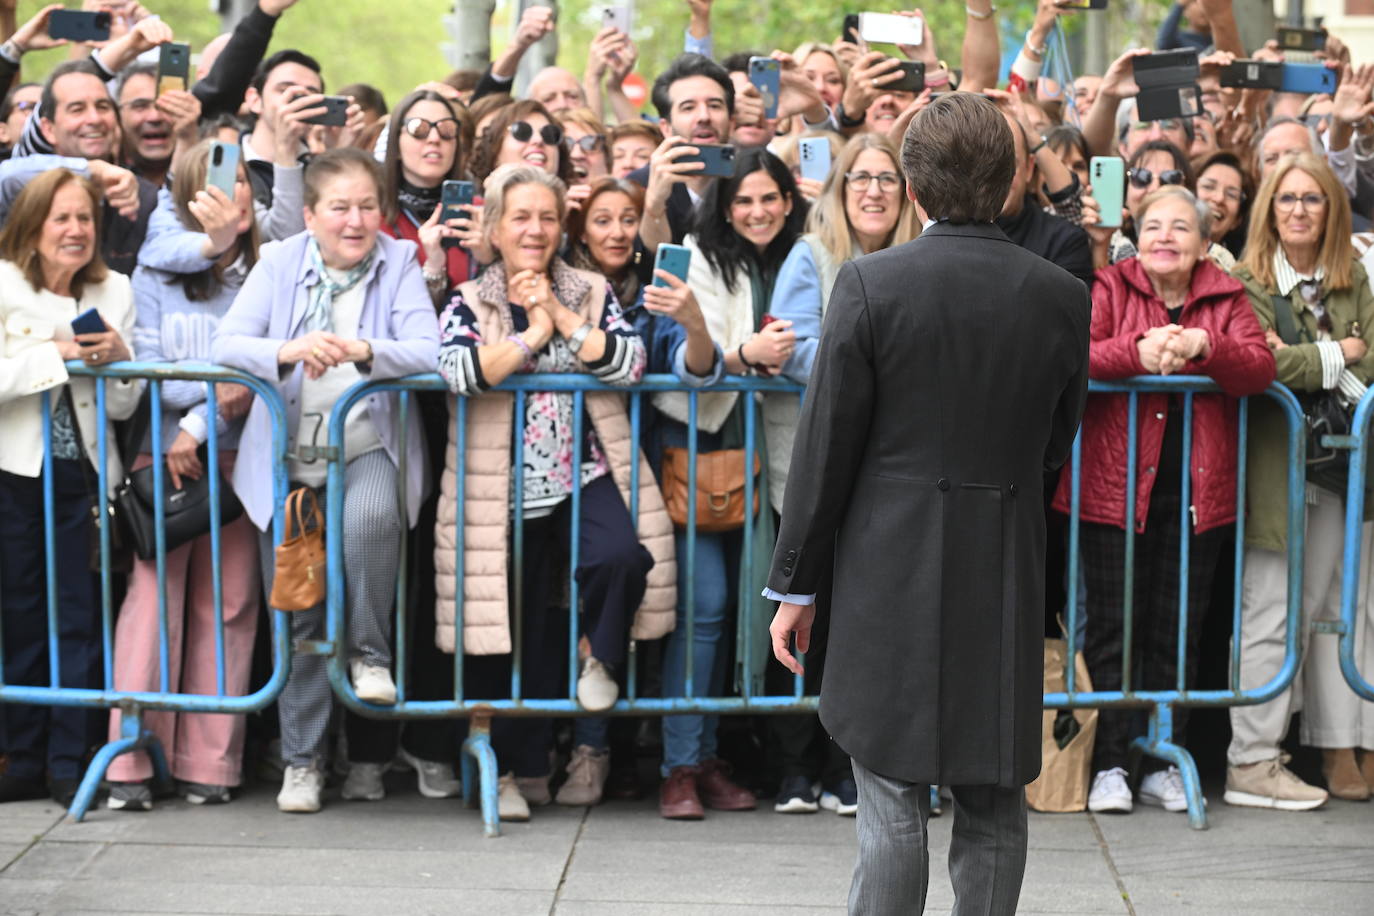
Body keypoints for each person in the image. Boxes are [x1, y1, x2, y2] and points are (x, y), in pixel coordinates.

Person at [768, 94, 1090, 913]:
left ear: (913, 188)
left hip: (888, 561)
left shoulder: (872, 283)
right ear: (1012, 178)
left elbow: (826, 445)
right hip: (1006, 554)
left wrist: (796, 584)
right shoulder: (1059, 293)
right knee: (992, 794)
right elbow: (1059, 435)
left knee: (888, 790)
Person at [433, 164, 676, 823]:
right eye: (520, 217)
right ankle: (510, 772)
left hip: (582, 473)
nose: (535, 229)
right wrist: (532, 335)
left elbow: (628, 364)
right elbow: (458, 371)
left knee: (623, 557)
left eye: (546, 216)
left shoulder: (591, 289)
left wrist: (560, 313)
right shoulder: (469, 298)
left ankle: (598, 653)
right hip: (497, 489)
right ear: (493, 227)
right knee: (508, 635)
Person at [212, 148, 439, 814]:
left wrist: (368, 350)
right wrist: (288, 349)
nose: (355, 220)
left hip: (368, 443)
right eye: (339, 207)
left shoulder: (399, 261)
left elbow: (427, 350)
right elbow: (227, 343)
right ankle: (304, 761)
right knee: (300, 605)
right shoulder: (279, 261)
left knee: (370, 519)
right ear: (309, 215)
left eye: (367, 205)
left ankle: (371, 655)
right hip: (288, 460)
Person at [1052, 187, 1274, 815]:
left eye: (1181, 226)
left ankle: (1163, 756)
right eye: (1153, 226)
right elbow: (1073, 357)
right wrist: (1136, 352)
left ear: (1206, 243)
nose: (1165, 236)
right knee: (1114, 631)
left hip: (1197, 495)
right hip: (1112, 491)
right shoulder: (1109, 287)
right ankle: (1112, 762)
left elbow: (1259, 367)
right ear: (1135, 235)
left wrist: (1207, 346)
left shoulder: (1225, 295)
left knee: (1177, 630)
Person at [763, 132, 919, 817]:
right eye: (861, 178)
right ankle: (801, 768)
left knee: (871, 626)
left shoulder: (921, 257)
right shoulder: (812, 255)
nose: (875, 190)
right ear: (839, 187)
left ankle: (854, 766)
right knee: (803, 616)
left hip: (893, 474)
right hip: (814, 465)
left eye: (888, 178)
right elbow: (793, 352)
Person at [105, 141, 263, 810]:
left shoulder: (264, 272)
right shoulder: (154, 269)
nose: (243, 200)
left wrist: (208, 411)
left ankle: (210, 764)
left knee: (227, 608)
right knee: (152, 607)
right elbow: (146, 367)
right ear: (195, 200)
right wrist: (203, 403)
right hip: (160, 455)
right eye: (227, 188)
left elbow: (257, 373)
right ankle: (132, 761)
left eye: (249, 188)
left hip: (240, 455)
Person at [653, 148, 807, 821]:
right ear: (724, 204)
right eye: (743, 200)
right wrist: (738, 351)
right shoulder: (694, 254)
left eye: (769, 197)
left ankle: (714, 755)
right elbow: (683, 364)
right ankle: (680, 765)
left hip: (777, 451)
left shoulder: (807, 252)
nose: (757, 211)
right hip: (703, 447)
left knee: (758, 613)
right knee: (708, 606)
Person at [562, 175, 722, 806]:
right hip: (575, 469)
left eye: (627, 220)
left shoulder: (660, 287)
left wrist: (693, 323)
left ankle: (645, 756)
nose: (616, 232)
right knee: (588, 605)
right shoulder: (564, 286)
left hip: (652, 467)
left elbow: (695, 369)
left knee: (658, 605)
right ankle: (589, 749)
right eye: (601, 220)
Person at [1228, 151, 1374, 810]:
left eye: (1311, 198)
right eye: (1286, 198)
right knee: (1271, 611)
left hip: (1348, 471)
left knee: (1327, 616)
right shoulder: (1247, 276)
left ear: (1332, 209)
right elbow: (1260, 362)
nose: (1298, 210)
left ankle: (1301, 751)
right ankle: (1251, 760)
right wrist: (1336, 356)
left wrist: (1324, 364)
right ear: (1269, 208)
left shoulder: (1355, 280)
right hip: (1276, 469)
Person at [0, 169, 141, 805]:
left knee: (79, 617)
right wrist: (60, 352)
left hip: (84, 478)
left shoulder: (116, 289)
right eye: (61, 218)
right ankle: (22, 759)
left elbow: (125, 403)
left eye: (85, 218)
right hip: (14, 474)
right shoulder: (3, 283)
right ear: (32, 227)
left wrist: (118, 357)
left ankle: (68, 758)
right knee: (20, 613)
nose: (76, 231)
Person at [379, 88, 472, 301]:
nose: (434, 138)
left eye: (447, 129)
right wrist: (433, 268)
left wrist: (488, 257)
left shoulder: (478, 212)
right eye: (418, 128)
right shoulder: (371, 214)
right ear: (395, 142)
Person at [1194, 150, 1252, 258]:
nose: (1219, 198)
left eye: (1231, 195)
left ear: (1238, 219)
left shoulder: (1237, 271)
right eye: (1208, 187)